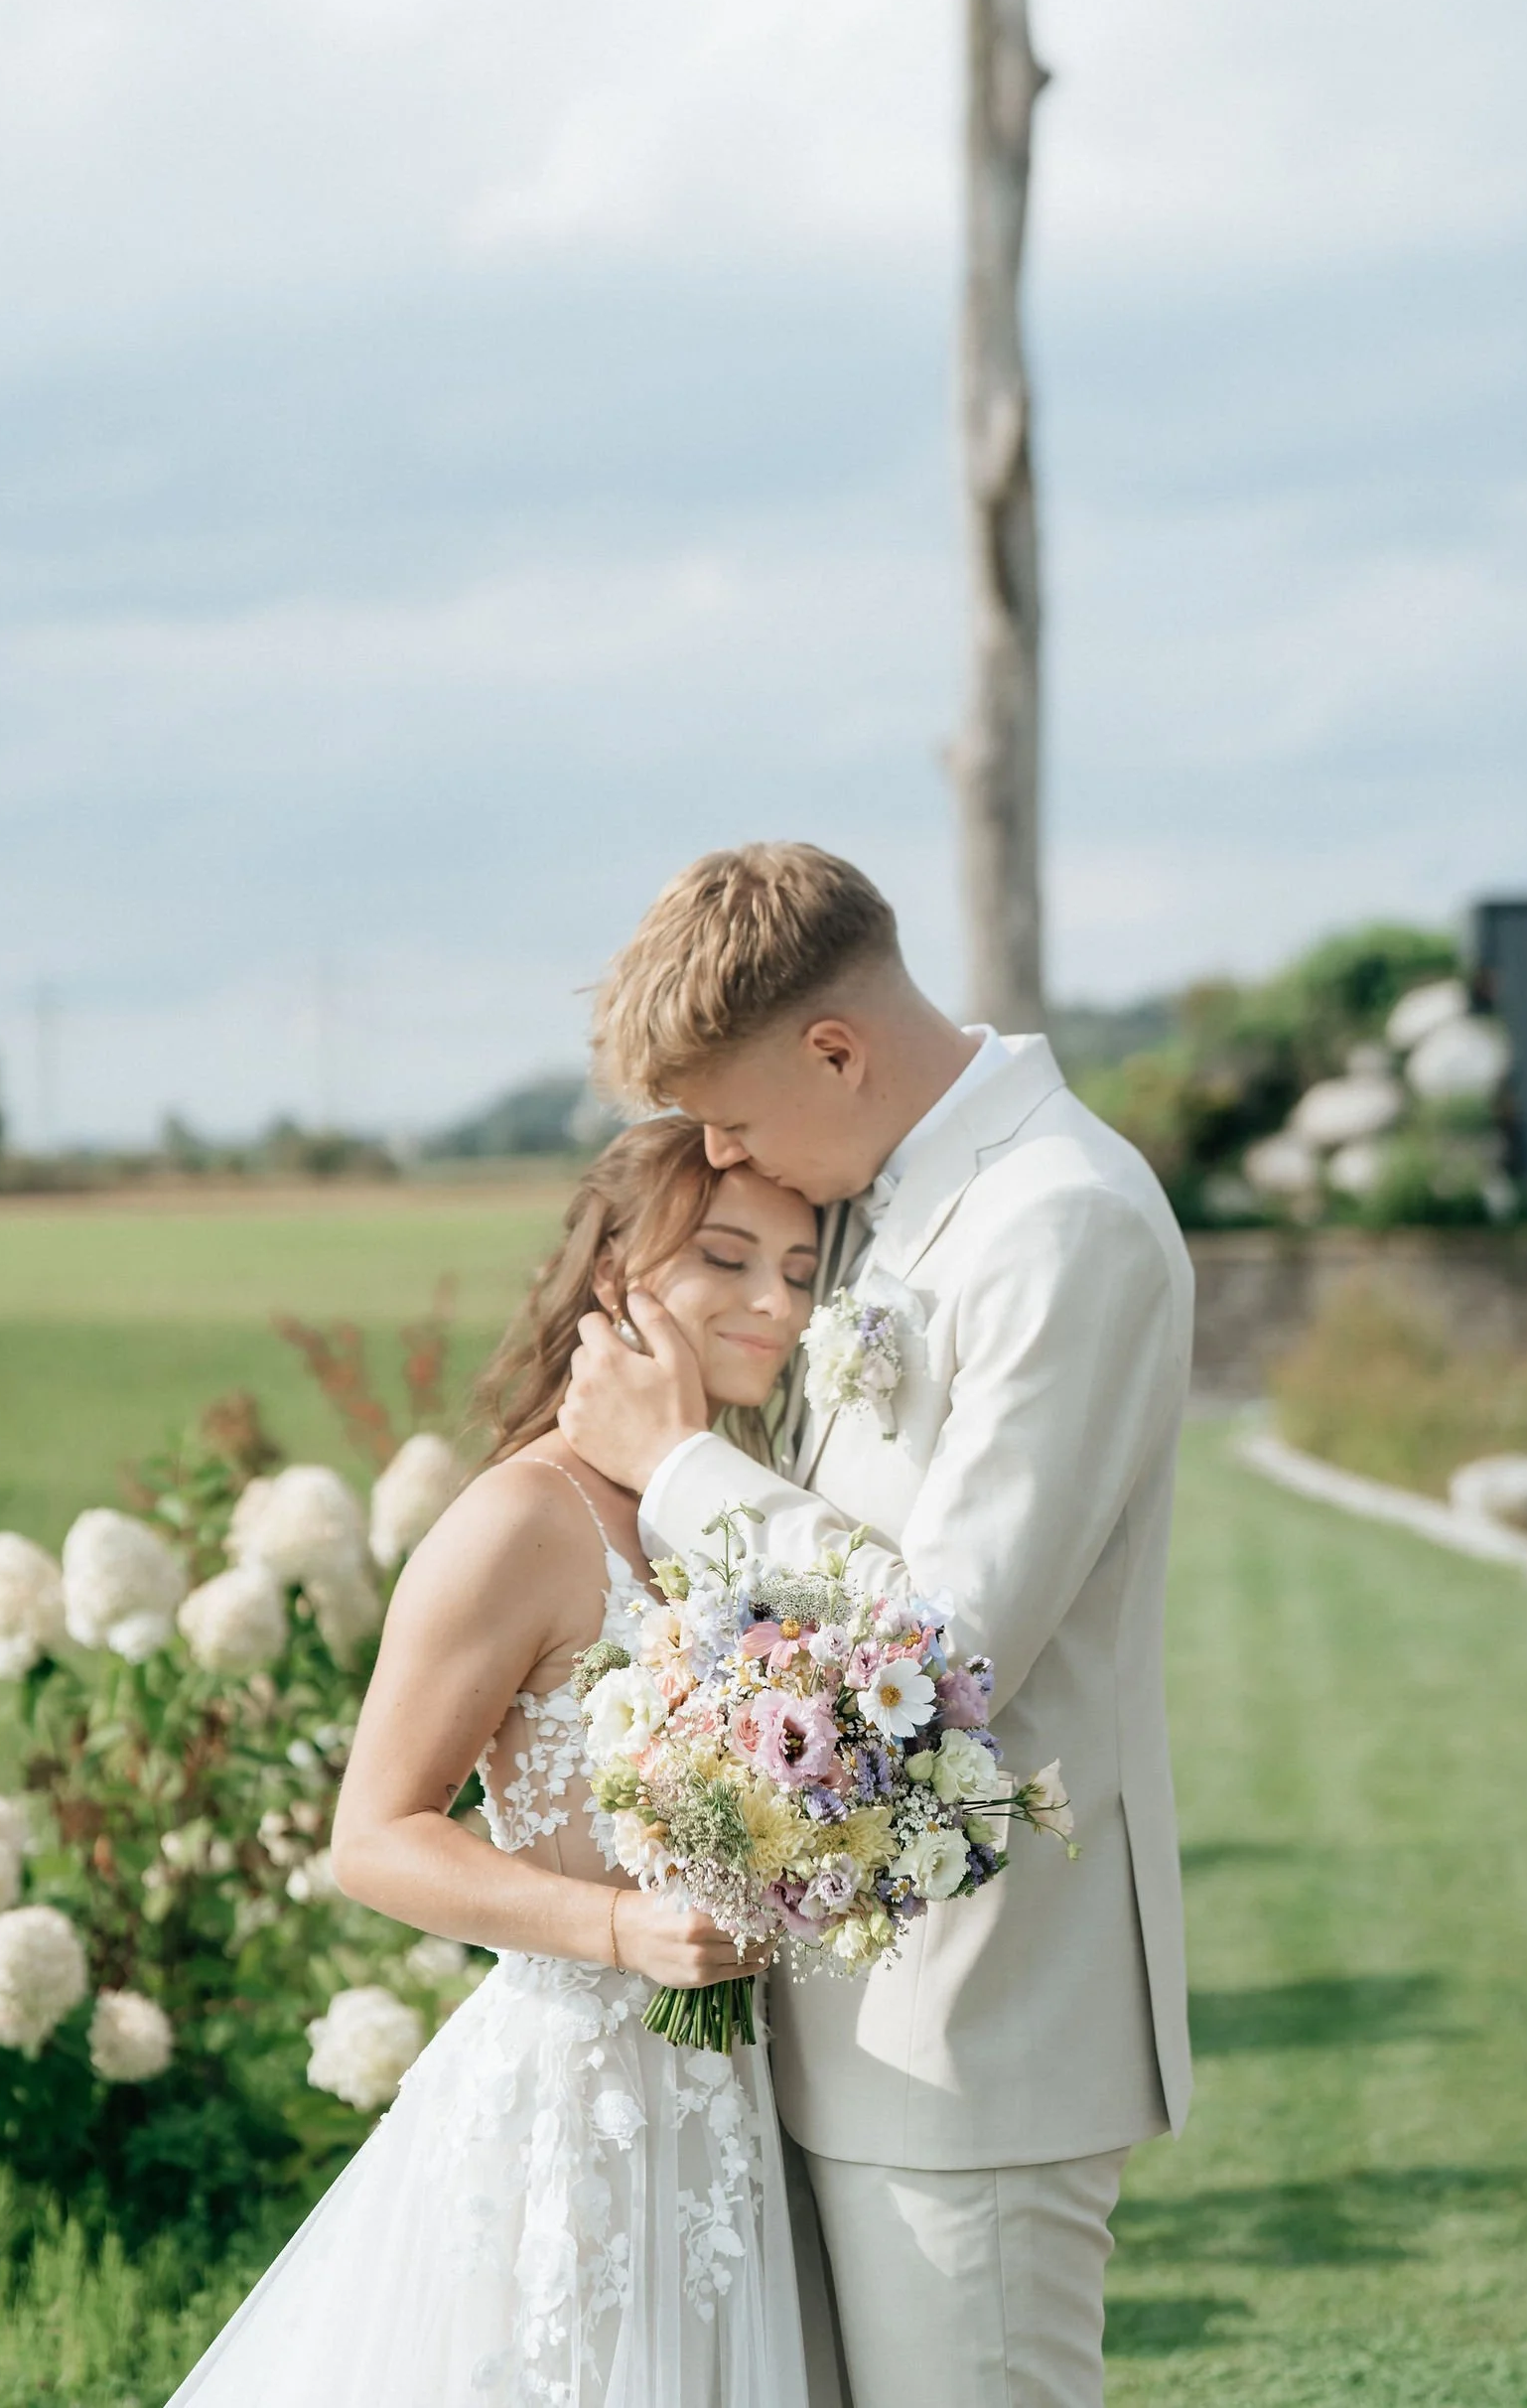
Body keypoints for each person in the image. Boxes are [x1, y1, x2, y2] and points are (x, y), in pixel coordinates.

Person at [560, 843, 1194, 2408]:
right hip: (834, 2008)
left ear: (836, 1049)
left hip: (975, 2025)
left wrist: (680, 1467)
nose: (722, 1152)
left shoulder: (1063, 1220)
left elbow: (947, 1648)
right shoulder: (875, 1200)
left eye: (733, 1115)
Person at [165, 1116, 819, 2408]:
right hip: (576, 2109)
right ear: (617, 1272)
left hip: (727, 2097)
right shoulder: (525, 1518)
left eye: (801, 1271)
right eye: (728, 1257)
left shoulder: (730, 1501)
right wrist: (624, 1925)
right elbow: (375, 1833)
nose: (773, 1302)